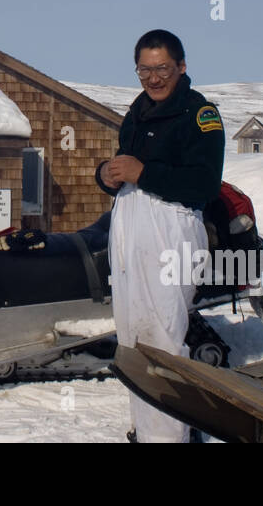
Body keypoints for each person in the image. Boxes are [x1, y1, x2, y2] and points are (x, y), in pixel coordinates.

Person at [96, 29, 224, 443]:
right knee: (132, 335)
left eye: (162, 68)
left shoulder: (200, 114)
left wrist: (143, 174)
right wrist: (108, 176)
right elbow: (128, 168)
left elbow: (203, 185)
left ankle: (170, 437)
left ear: (181, 67)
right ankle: (145, 430)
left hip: (171, 228)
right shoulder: (136, 112)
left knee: (162, 337)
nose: (153, 78)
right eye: (145, 70)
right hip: (131, 224)